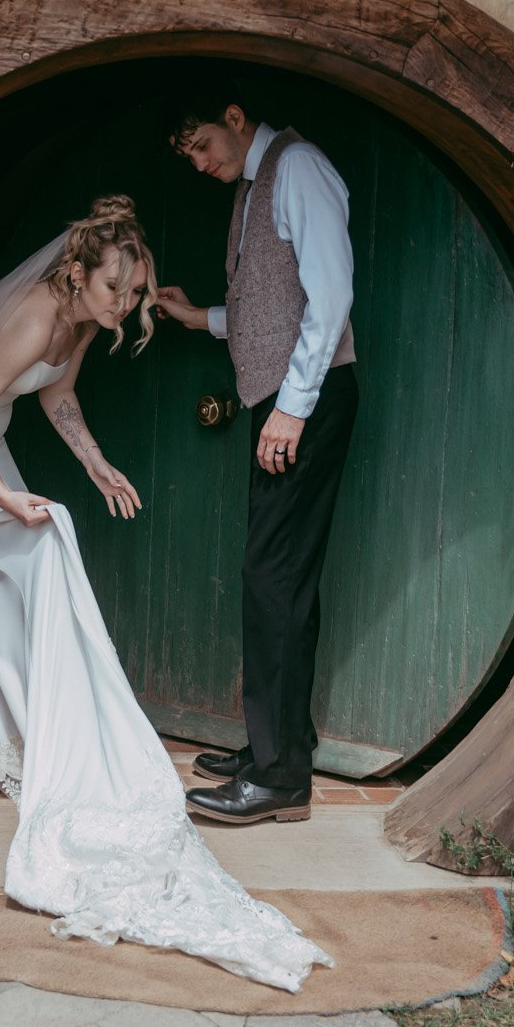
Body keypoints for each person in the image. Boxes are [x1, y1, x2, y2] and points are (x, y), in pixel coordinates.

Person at [0, 196, 332, 992]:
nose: (129, 306)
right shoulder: (36, 318)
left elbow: (56, 400)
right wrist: (4, 499)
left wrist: (97, 464)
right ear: (77, 274)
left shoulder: (81, 326)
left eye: (136, 293)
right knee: (37, 545)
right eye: (118, 290)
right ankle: (6, 721)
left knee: (19, 562)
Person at [156, 83, 361, 827]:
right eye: (190, 156)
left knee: (269, 574)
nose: (201, 163)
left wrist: (293, 409)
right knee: (287, 578)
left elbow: (329, 296)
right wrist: (198, 317)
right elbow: (268, 303)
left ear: (235, 117)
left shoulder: (296, 167)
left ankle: (277, 779)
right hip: (286, 402)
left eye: (204, 145)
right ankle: (283, 747)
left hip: (302, 403)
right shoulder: (254, 183)